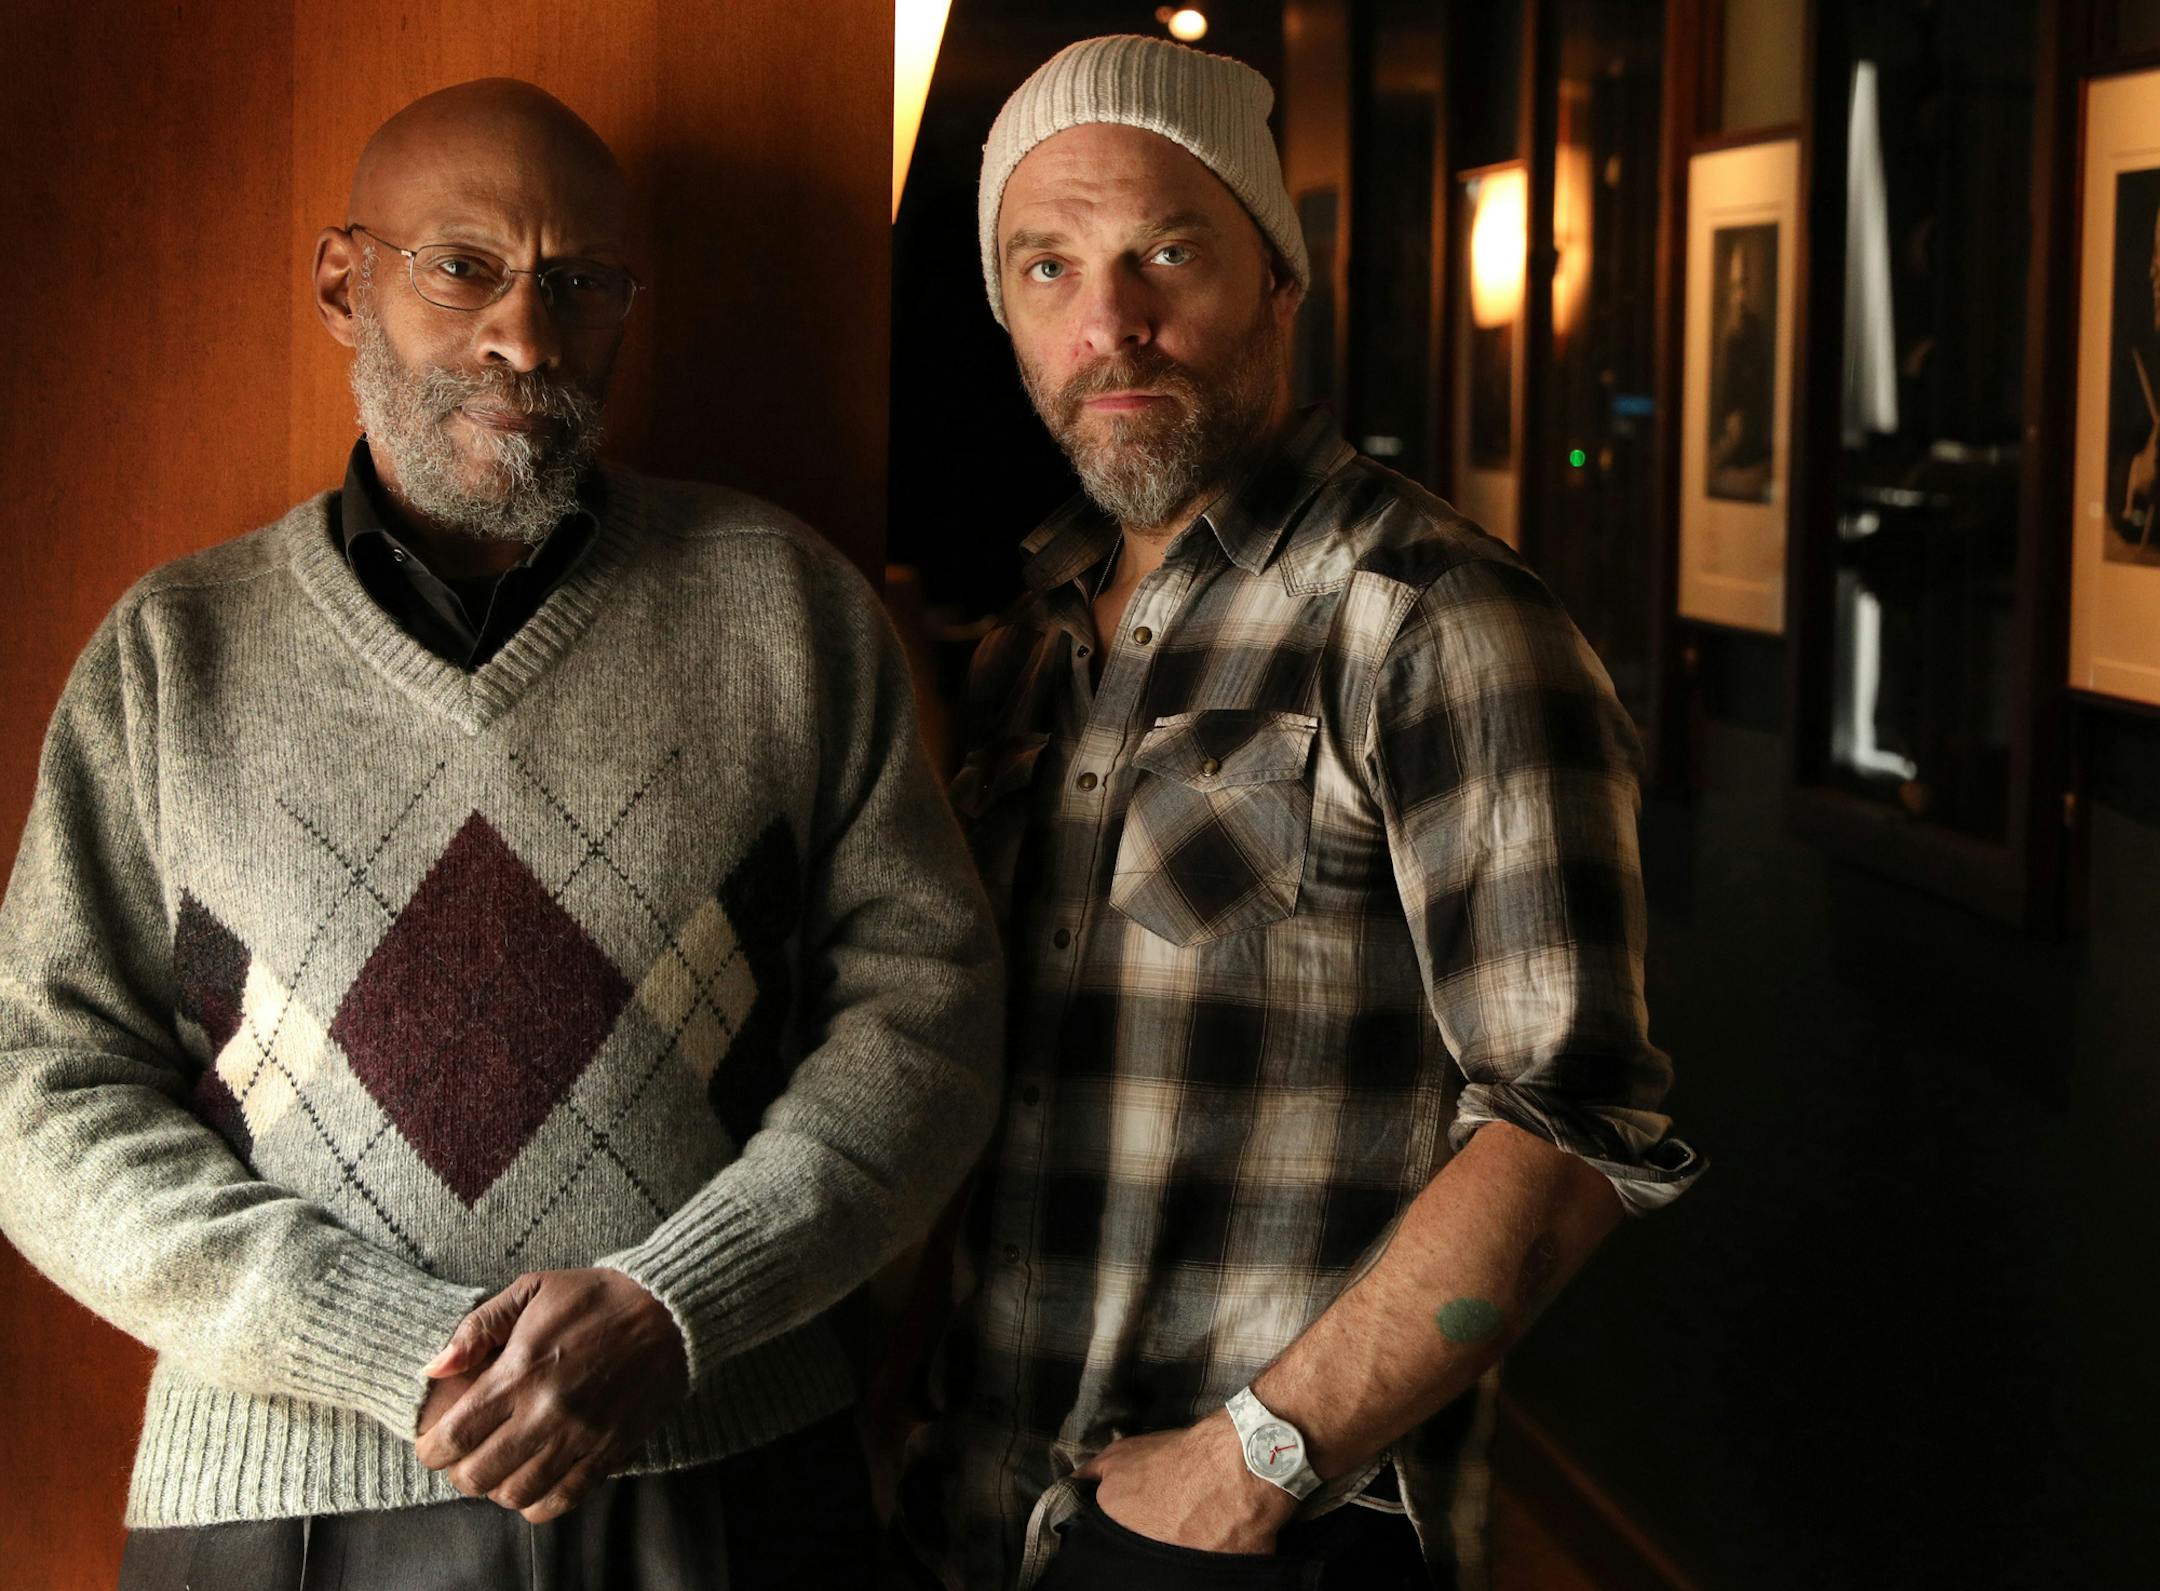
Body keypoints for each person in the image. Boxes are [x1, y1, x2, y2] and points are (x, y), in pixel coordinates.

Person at [0, 78, 1002, 1589]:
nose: (526, 341)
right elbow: (37, 1087)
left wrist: (676, 1305)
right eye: (463, 266)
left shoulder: (783, 612)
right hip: (275, 1505)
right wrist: (391, 1346)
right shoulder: (173, 654)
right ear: (345, 283)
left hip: (725, 1468)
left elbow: (927, 1025)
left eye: (580, 286)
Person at [908, 35, 1700, 1591]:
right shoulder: (1020, 645)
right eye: (1047, 267)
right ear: (1005, 314)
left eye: (1167, 251)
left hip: (1263, 1533)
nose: (1109, 321)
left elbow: (1576, 1125)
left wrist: (1255, 1460)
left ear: (1282, 277)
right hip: (983, 1507)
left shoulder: (1434, 620)